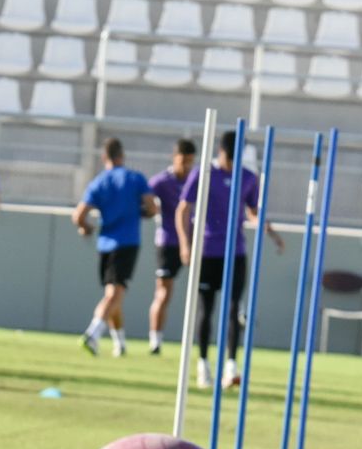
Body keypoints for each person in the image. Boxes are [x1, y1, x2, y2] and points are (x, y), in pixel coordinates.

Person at [176, 131, 284, 388]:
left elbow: (253, 211)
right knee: (206, 309)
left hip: (235, 252)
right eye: (229, 158)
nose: (232, 163)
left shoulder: (248, 178)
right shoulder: (204, 174)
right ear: (221, 152)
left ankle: (231, 366)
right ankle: (203, 365)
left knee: (235, 308)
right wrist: (185, 244)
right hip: (207, 252)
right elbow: (183, 209)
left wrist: (267, 229)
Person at [72, 138, 156, 357]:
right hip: (127, 242)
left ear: (104, 157)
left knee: (113, 295)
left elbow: (78, 215)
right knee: (114, 295)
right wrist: (139, 212)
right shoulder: (135, 178)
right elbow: (152, 208)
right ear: (122, 155)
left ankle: (120, 343)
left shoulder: (99, 182)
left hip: (105, 244)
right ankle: (93, 333)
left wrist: (87, 227)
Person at [146, 138, 197, 355]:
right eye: (183, 161)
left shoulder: (196, 180)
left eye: (190, 162)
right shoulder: (161, 181)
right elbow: (145, 198)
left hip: (196, 242)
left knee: (203, 291)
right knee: (164, 292)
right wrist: (149, 209)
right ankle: (155, 341)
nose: (186, 166)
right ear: (174, 158)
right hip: (168, 242)